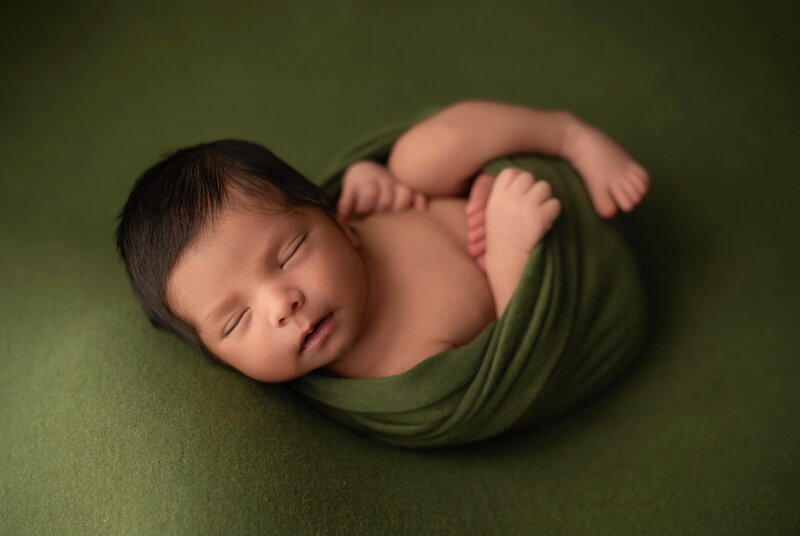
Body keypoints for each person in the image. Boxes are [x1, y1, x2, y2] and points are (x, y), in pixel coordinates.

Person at [115, 98, 650, 383]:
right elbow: (511, 368)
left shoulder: (353, 227)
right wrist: (510, 257)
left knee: (419, 155)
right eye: (235, 321)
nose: (281, 304)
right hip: (535, 255)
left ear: (338, 224)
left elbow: (372, 196)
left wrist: (376, 184)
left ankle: (567, 134)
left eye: (290, 253)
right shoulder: (401, 368)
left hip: (493, 190)